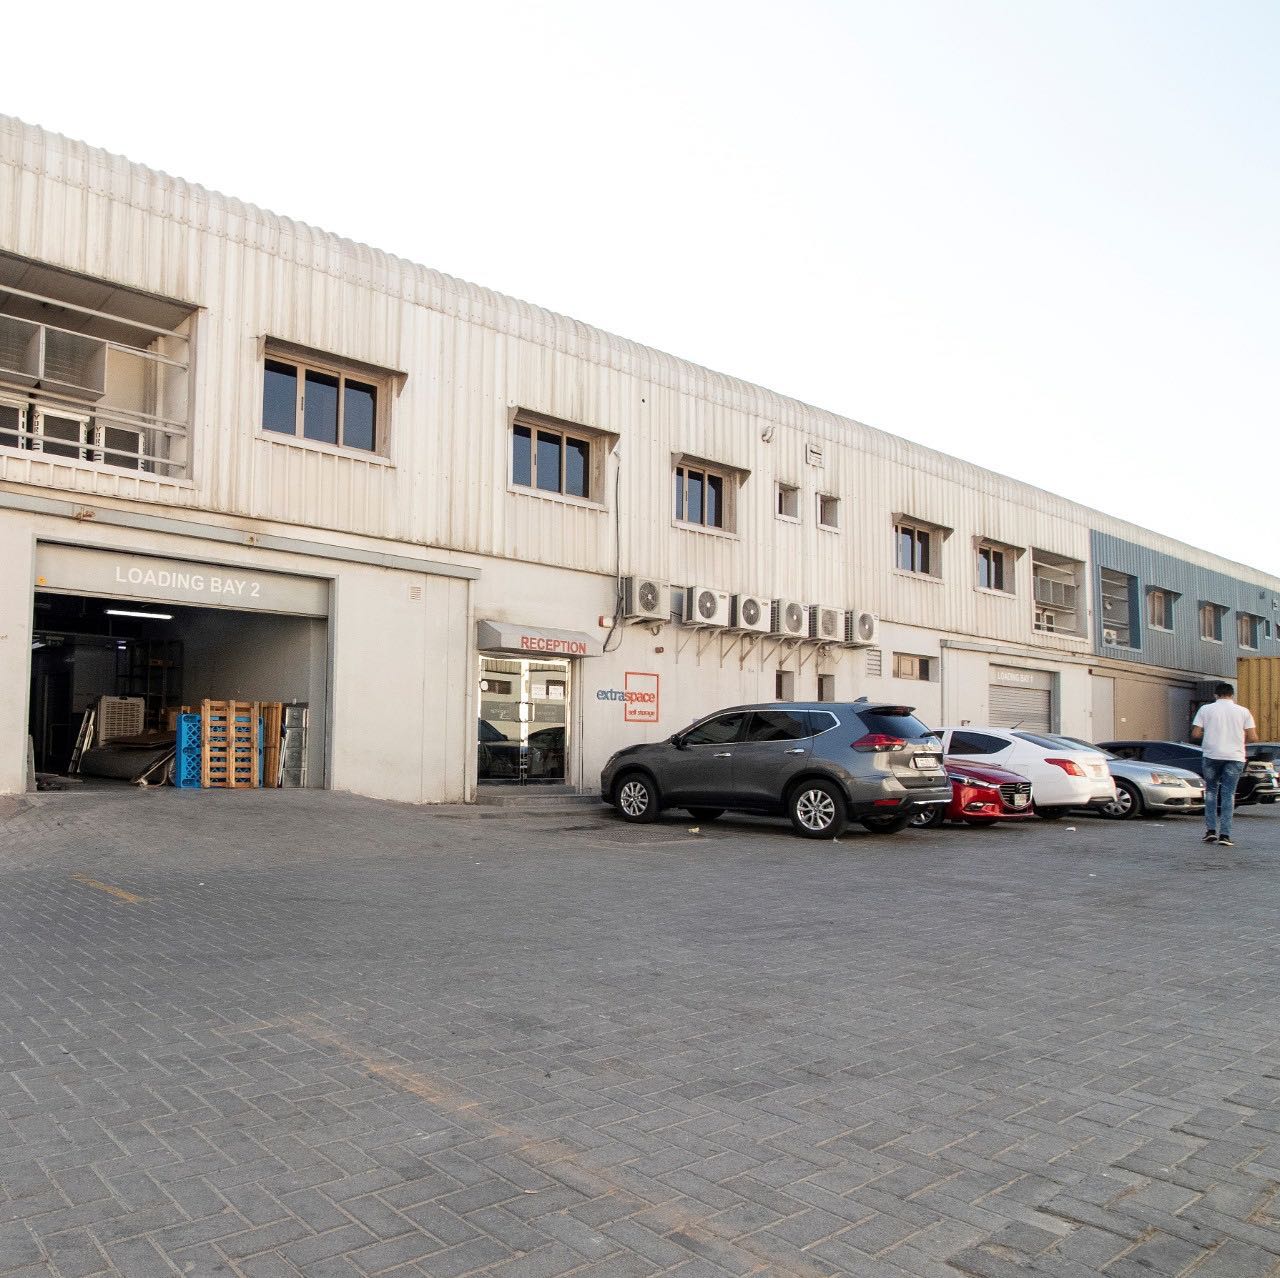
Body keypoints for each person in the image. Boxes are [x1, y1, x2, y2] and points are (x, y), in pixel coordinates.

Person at [1190, 682, 1257, 847]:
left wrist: (1212, 733)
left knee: (1211, 792)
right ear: (1232, 695)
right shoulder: (1243, 711)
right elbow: (1253, 737)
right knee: (1229, 794)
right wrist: (1237, 739)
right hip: (1235, 756)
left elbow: (1195, 734)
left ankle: (1210, 832)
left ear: (1215, 695)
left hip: (1212, 755)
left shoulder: (1205, 709)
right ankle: (1225, 835)